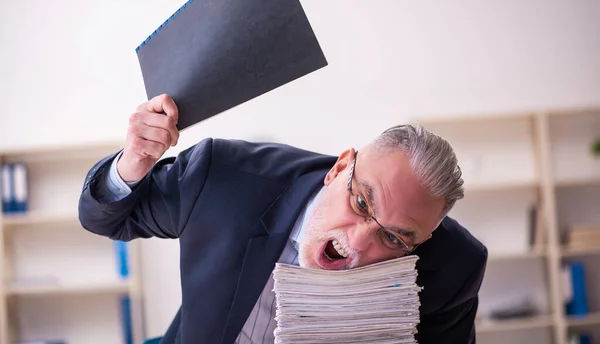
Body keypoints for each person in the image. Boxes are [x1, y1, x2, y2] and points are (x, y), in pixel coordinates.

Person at [78, 94, 487, 344]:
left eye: (395, 239)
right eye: (362, 203)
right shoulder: (224, 181)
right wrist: (134, 159)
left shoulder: (451, 268)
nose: (360, 244)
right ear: (340, 168)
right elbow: (108, 219)